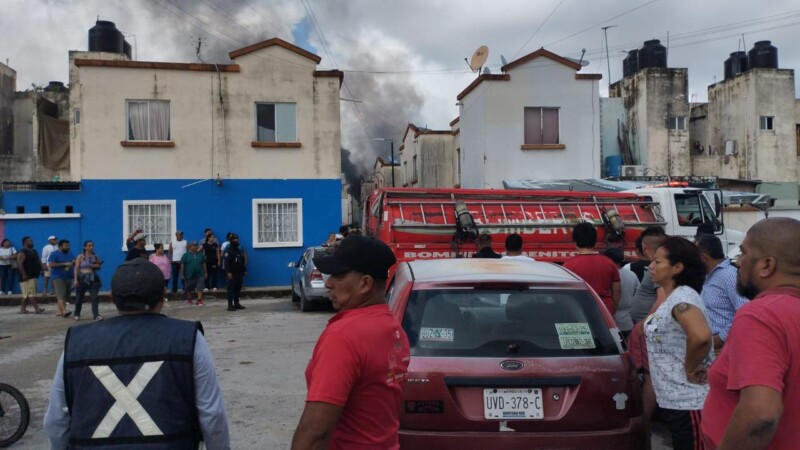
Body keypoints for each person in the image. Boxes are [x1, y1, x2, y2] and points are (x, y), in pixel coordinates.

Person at [43, 258, 231, 449]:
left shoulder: (77, 342)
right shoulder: (188, 338)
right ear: (163, 296)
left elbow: (56, 420)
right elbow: (212, 415)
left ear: (112, 297)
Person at [292, 236, 409, 450]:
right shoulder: (394, 329)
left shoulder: (344, 335)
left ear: (365, 283)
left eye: (338, 275)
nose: (328, 282)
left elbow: (316, 431)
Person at [702, 218, 800, 450]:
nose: (737, 263)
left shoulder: (761, 315)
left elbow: (760, 415)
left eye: (743, 253)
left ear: (766, 265)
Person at [644, 236, 714, 450]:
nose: (651, 266)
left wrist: (690, 367)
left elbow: (701, 337)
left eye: (658, 261)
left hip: (690, 401)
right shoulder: (673, 297)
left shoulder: (682, 298)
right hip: (676, 402)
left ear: (677, 267)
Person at [696, 234, 748, 355]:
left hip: (724, 348)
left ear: (703, 257)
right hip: (711, 347)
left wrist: (721, 338)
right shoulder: (710, 275)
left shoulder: (729, 276)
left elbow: (743, 311)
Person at [563, 222, 621, 314]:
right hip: (605, 308)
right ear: (595, 240)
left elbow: (566, 293)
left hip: (580, 309)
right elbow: (617, 290)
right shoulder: (609, 263)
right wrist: (613, 310)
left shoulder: (569, 265)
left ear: (575, 242)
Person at [630, 226, 669, 324]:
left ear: (644, 247)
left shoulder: (658, 267)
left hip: (648, 326)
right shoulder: (658, 265)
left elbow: (662, 299)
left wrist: (644, 323)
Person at [603, 247, 638, 338]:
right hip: (627, 322)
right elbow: (638, 295)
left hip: (607, 321)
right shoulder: (632, 275)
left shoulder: (605, 275)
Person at [73, 241, 103, 321]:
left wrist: (97, 266)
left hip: (92, 278)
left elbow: (99, 267)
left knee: (94, 297)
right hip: (82, 278)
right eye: (89, 246)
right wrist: (75, 279)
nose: (91, 247)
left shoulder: (95, 256)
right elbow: (76, 268)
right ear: (85, 247)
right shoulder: (80, 256)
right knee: (79, 297)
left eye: (92, 245)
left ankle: (96, 315)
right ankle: (77, 313)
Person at [16, 236, 45, 314]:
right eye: (30, 241)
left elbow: (38, 261)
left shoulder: (34, 251)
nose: (32, 242)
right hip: (27, 277)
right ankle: (37, 308)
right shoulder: (22, 252)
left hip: (33, 275)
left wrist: (42, 269)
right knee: (30, 293)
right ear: (25, 242)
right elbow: (20, 264)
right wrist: (24, 274)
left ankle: (23, 309)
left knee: (26, 294)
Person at [49, 239, 76, 318]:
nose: (68, 247)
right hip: (58, 277)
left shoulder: (69, 254)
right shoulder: (54, 254)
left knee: (66, 295)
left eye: (68, 245)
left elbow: (73, 260)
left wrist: (74, 262)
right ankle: (64, 311)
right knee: (61, 294)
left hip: (68, 277)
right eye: (66, 246)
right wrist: (64, 264)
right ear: (60, 246)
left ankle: (59, 311)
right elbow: (51, 265)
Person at [223, 234, 247, 311]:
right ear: (231, 240)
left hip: (239, 273)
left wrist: (244, 270)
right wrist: (228, 272)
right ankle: (230, 305)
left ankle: (236, 303)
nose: (236, 240)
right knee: (231, 289)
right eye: (234, 239)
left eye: (237, 239)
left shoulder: (238, 250)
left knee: (237, 289)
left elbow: (241, 261)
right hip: (231, 273)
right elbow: (226, 262)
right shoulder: (228, 250)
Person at [181, 241, 207, 306]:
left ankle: (199, 300)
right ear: (190, 247)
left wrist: (206, 272)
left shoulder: (200, 254)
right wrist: (182, 274)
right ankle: (189, 299)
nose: (196, 246)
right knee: (188, 287)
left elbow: (203, 264)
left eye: (196, 245)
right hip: (189, 274)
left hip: (200, 274)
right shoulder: (185, 255)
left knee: (200, 286)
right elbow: (182, 265)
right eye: (194, 245)